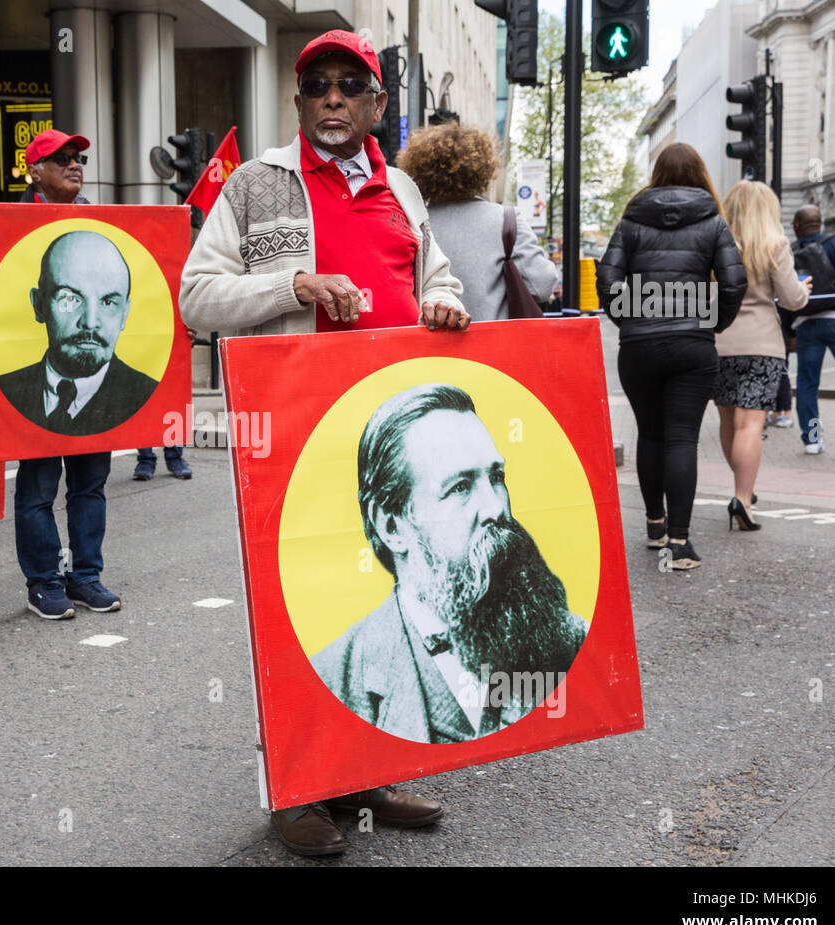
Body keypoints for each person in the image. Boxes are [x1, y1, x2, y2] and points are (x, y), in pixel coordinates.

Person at [180, 29, 472, 858]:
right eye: (318, 86)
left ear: (379, 106)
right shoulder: (255, 185)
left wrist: (442, 306)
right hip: (295, 440)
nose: (333, 98)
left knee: (376, 606)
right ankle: (297, 792)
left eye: (351, 85)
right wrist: (295, 285)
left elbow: (434, 280)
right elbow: (195, 296)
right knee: (296, 612)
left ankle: (362, 777)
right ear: (300, 101)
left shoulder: (404, 191)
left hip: (390, 443)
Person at [313, 383, 587, 742]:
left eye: (496, 477)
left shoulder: (569, 638)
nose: (495, 508)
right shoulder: (333, 679)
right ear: (391, 525)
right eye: (459, 487)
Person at [0, 129, 124, 620]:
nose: (76, 164)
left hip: (93, 379)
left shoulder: (101, 224)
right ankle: (43, 582)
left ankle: (86, 578)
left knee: (90, 485)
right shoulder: (2, 226)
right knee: (38, 487)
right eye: (62, 158)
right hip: (32, 382)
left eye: (80, 158)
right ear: (35, 171)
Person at [596, 143, 747, 570]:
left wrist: (629, 317)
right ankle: (679, 545)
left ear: (657, 173)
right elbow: (736, 282)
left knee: (651, 434)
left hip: (640, 345)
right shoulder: (713, 221)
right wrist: (712, 322)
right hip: (692, 344)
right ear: (699, 173)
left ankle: (654, 526)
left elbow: (607, 278)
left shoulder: (631, 220)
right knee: (682, 438)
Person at [714, 182, 810, 530]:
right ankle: (743, 498)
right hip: (762, 346)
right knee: (750, 425)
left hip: (719, 343)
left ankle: (742, 490)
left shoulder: (715, 244)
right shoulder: (775, 244)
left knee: (729, 423)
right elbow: (792, 299)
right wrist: (804, 288)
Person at [0, 231, 158, 435]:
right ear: (39, 305)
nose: (89, 323)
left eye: (108, 302)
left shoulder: (147, 396)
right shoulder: (2, 392)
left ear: (124, 313)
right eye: (69, 298)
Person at [398, 123, 557, 320]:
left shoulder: (412, 222)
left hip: (430, 348)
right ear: (483, 170)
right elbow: (542, 285)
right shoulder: (506, 220)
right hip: (495, 344)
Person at [787, 204, 835, 454]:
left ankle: (812, 439)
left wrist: (788, 332)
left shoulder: (790, 252)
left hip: (806, 324)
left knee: (808, 383)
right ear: (820, 223)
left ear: (797, 226)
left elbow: (785, 295)